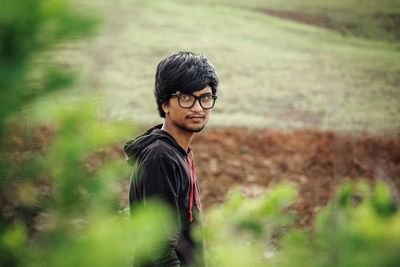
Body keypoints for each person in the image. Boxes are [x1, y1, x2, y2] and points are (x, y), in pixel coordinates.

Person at [124, 51, 219, 267]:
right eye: (186, 98)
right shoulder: (160, 157)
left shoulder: (177, 152)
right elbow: (161, 248)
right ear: (165, 103)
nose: (197, 108)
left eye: (205, 98)